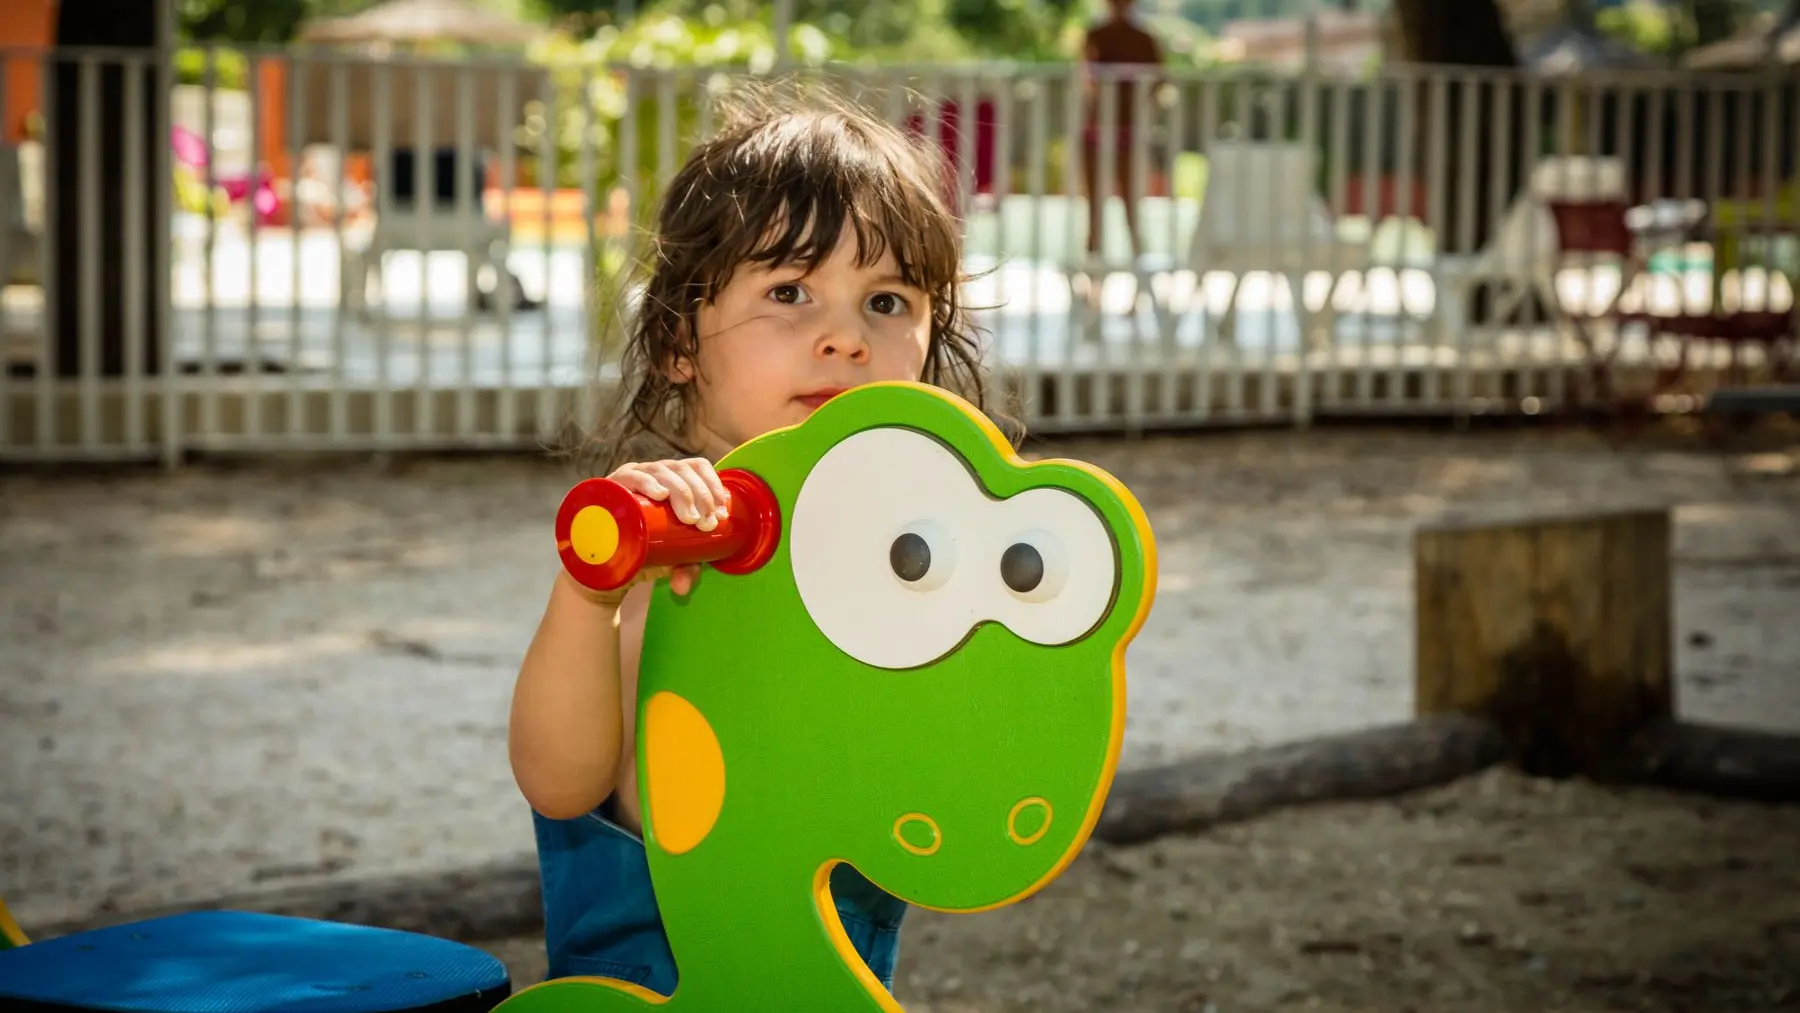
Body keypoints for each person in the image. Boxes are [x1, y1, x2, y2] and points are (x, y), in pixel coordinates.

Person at [507, 84, 997, 993]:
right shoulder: (664, 546)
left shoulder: (903, 572)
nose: (845, 337)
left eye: (887, 302)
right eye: (790, 291)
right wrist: (592, 592)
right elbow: (558, 782)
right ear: (678, 342)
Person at [1080, 0, 1164, 298]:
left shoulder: (1144, 39)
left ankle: (1138, 294)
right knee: (1097, 215)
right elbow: (1086, 79)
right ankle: (1095, 292)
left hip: (1125, 134)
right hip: (1098, 133)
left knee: (1129, 213)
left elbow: (1158, 82)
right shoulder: (1097, 35)